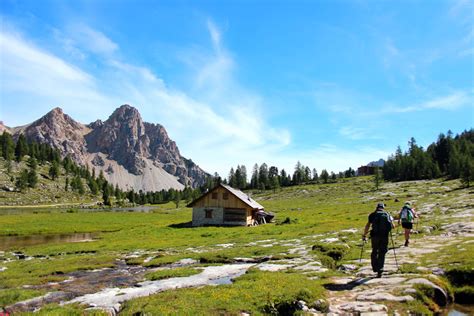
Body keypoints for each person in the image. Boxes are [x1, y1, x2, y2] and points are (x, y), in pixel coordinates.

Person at [362, 203, 394, 278]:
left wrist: (364, 234)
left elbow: (368, 225)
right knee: (382, 252)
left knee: (374, 250)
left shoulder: (372, 215)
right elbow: (393, 226)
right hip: (384, 236)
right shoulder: (387, 214)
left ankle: (375, 266)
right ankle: (380, 269)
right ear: (383, 208)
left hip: (375, 236)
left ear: (377, 207)